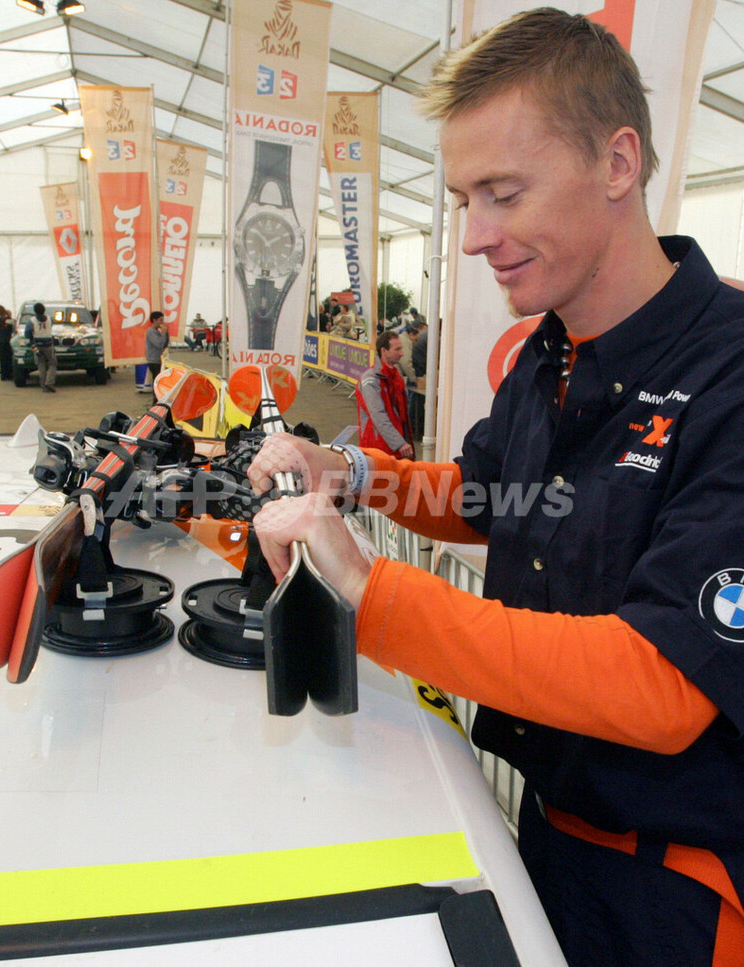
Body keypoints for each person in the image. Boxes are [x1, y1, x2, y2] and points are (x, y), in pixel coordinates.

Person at [248, 9, 744, 966]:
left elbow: (664, 683)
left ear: (618, 162)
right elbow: (489, 494)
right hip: (542, 834)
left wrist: (371, 591)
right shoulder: (550, 351)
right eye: (463, 200)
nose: (474, 237)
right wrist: (354, 474)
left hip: (678, 892)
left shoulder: (729, 375)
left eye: (503, 194)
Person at [355, 330, 413, 459]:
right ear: (384, 351)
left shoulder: (396, 376)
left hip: (395, 447)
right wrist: (399, 443)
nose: (402, 353)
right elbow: (378, 415)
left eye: (401, 348)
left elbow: (403, 414)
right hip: (377, 449)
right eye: (397, 349)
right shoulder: (370, 379)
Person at [24, 302, 56, 393]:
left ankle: (43, 386)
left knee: (41, 365)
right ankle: (49, 382)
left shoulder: (32, 321)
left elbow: (27, 334)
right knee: (52, 363)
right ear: (44, 310)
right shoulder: (49, 319)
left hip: (36, 345)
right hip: (48, 345)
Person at [145, 310, 168, 403]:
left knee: (159, 381)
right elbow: (159, 344)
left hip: (158, 359)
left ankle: (157, 400)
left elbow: (164, 343)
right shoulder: (151, 332)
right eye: (160, 320)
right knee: (156, 381)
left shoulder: (156, 332)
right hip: (154, 360)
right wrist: (163, 333)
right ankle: (155, 401)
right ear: (154, 320)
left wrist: (165, 333)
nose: (162, 322)